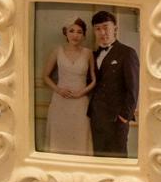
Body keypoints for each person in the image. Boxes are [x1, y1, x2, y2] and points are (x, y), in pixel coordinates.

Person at [88, 10, 139, 158]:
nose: (102, 32)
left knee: (118, 159)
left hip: (117, 119)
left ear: (115, 28)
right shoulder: (93, 55)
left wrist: (124, 117)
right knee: (99, 158)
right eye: (98, 29)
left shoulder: (127, 53)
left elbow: (133, 89)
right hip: (96, 117)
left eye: (106, 27)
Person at [41, 17, 96, 155]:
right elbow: (45, 76)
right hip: (60, 102)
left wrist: (82, 92)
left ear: (84, 35)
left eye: (79, 32)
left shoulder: (88, 53)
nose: (75, 35)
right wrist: (58, 90)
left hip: (80, 103)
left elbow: (94, 80)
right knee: (59, 139)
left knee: (80, 138)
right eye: (71, 31)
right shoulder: (57, 51)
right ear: (65, 33)